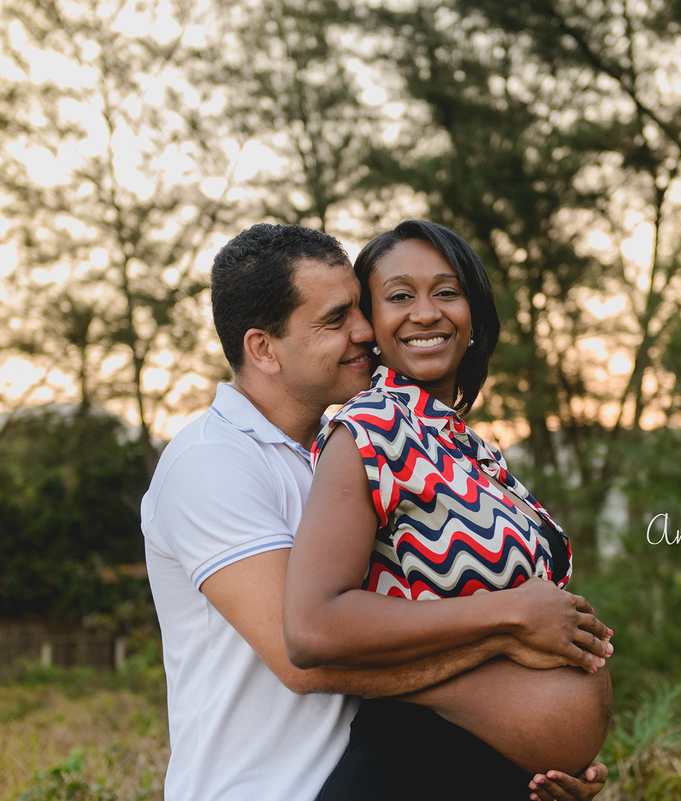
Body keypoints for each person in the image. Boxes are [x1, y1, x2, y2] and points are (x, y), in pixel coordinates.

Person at [142, 223, 610, 801]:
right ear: (263, 349)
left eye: (360, 309)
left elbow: (410, 618)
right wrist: (507, 632)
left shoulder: (360, 447)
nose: (364, 331)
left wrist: (520, 752)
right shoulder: (212, 462)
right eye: (336, 319)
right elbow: (306, 658)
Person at [284, 220, 614, 800]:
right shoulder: (369, 429)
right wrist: (508, 614)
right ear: (370, 324)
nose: (426, 313)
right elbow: (314, 624)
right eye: (399, 296)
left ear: (473, 312)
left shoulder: (467, 447)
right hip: (414, 768)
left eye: (446, 291)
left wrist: (563, 751)